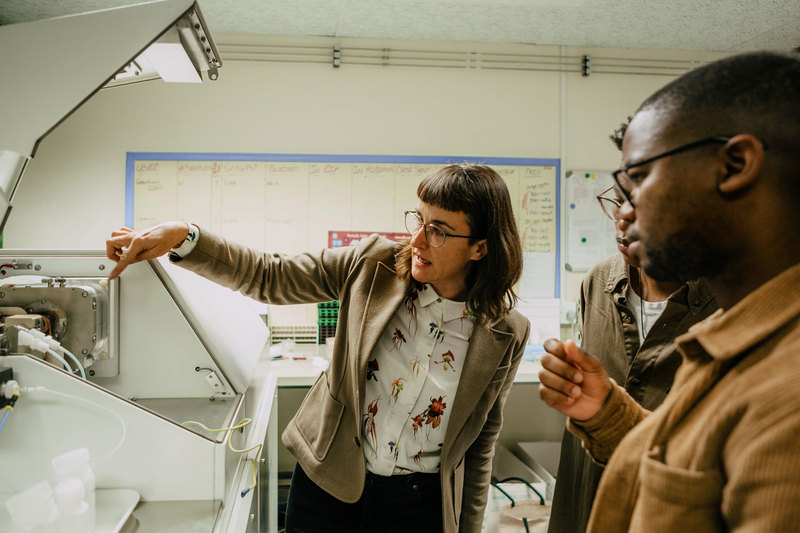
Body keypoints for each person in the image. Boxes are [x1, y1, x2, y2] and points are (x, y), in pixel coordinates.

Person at [106, 163, 530, 533]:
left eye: (438, 231)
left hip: (419, 508)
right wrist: (186, 237)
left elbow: (479, 442)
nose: (417, 239)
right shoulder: (373, 265)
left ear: (480, 247)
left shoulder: (506, 332)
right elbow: (269, 276)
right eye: (418, 220)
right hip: (332, 485)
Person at [538, 50, 800, 532]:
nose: (624, 209)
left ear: (735, 164)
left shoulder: (786, 392)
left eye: (638, 178)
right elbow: (686, 476)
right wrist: (603, 411)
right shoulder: (736, 338)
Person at [547, 124, 718, 533]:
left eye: (644, 201)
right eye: (620, 197)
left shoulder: (730, 305)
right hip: (586, 504)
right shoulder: (600, 280)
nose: (622, 218)